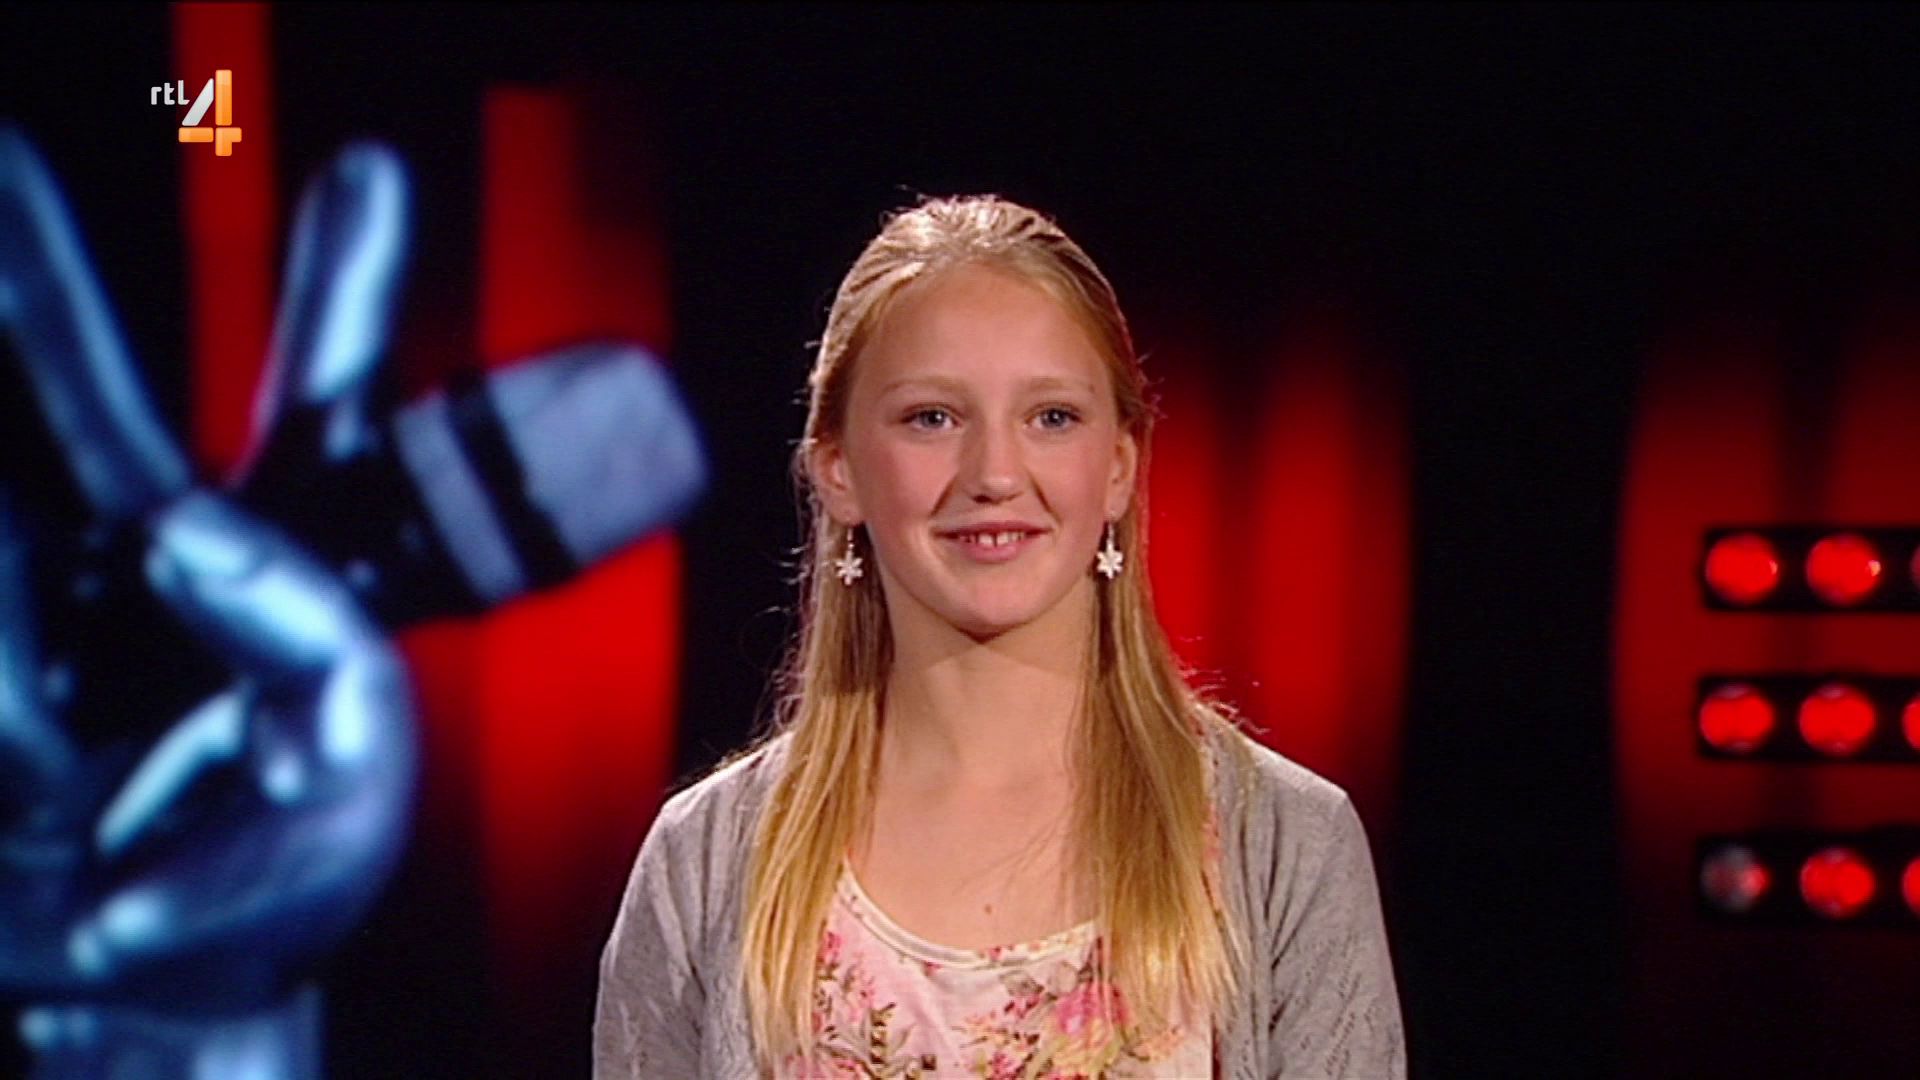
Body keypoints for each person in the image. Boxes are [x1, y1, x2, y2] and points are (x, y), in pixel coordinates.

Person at [594, 195, 1406, 1078]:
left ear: (1120, 466)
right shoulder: (705, 863)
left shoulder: (1286, 845)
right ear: (838, 469)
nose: (994, 474)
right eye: (932, 418)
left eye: (1051, 417)